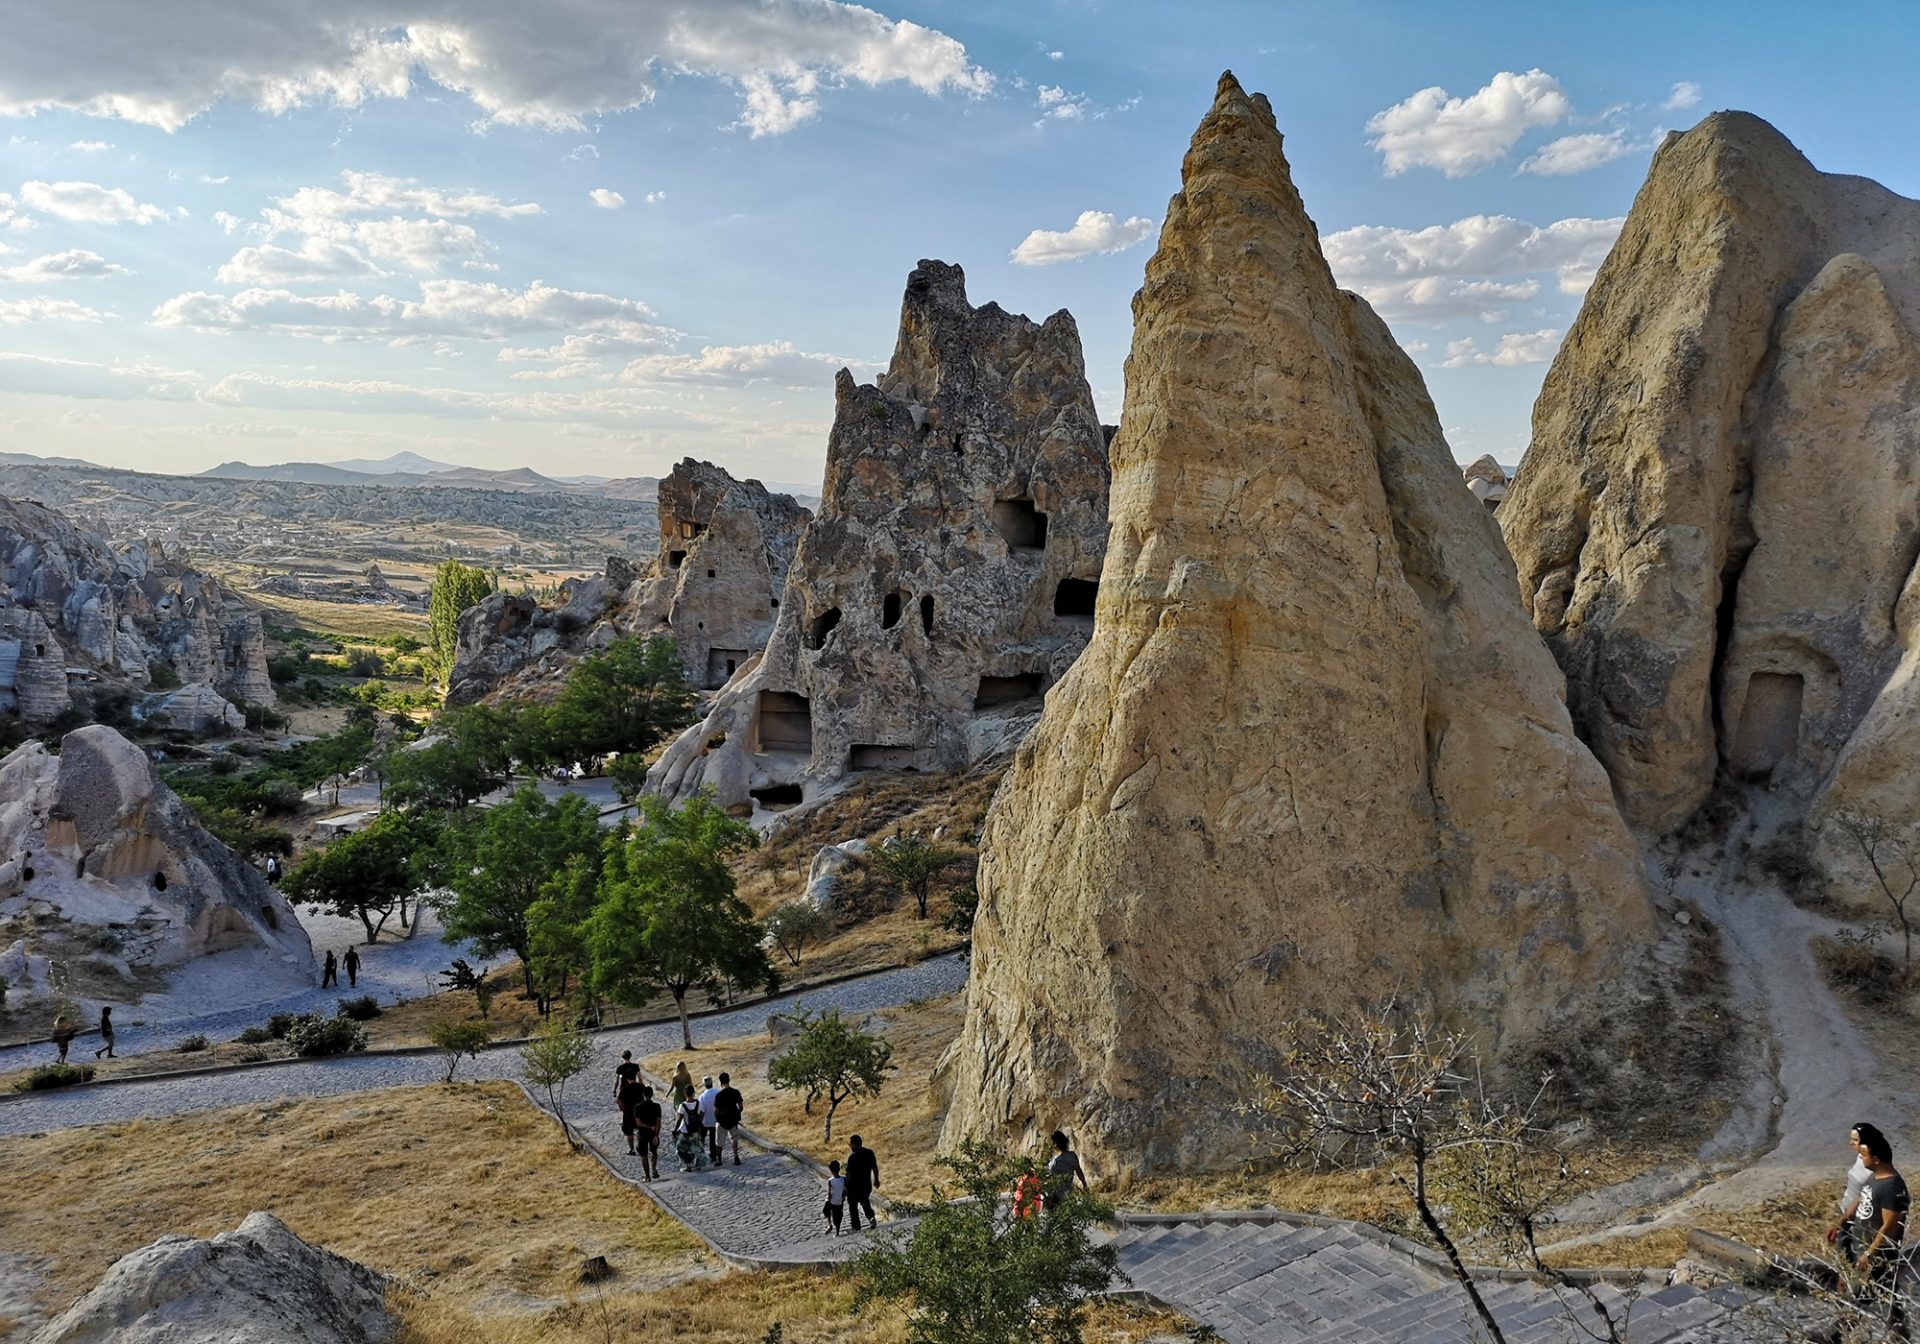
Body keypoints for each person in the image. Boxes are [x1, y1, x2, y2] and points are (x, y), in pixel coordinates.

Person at [1847, 1123, 1909, 1331]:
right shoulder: (1875, 1178)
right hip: (1868, 1251)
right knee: (1889, 1292)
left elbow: (1890, 1226)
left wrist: (1870, 1254)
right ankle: (1899, 1331)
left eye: (1864, 1155)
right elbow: (1863, 1201)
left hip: (1879, 1255)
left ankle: (1836, 1333)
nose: (1860, 1158)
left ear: (1875, 1159)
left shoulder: (1892, 1187)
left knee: (1860, 1295)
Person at [1829, 1123, 1879, 1261]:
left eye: (1855, 1140)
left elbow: (1863, 1198)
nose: (1851, 1143)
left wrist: (1841, 1222)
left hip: (1858, 1220)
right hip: (1846, 1211)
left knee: (1855, 1259)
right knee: (1843, 1259)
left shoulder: (1873, 1166)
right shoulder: (1860, 1157)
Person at [1044, 1130, 1090, 1208]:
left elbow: (1078, 1170)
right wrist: (1084, 1185)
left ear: (1055, 1144)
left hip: (1058, 1196)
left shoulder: (1060, 1159)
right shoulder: (1067, 1157)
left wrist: (1084, 1185)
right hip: (1060, 1195)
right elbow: (1078, 1170)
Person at [844, 1135, 880, 1231]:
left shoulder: (853, 1157)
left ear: (855, 1144)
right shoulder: (869, 1153)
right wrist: (876, 1180)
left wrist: (846, 1187)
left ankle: (856, 1226)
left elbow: (849, 1174)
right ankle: (871, 1218)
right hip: (866, 1184)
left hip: (854, 1186)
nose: (850, 1147)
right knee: (865, 1202)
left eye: (850, 1144)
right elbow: (875, 1167)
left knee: (853, 1206)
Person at [613, 1051, 643, 1155]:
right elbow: (640, 1079)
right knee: (639, 1127)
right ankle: (641, 1146)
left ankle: (632, 1149)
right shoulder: (635, 1066)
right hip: (637, 1102)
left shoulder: (620, 1068)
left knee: (629, 1129)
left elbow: (617, 1081)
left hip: (625, 1097)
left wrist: (614, 1090)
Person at [633, 1084, 663, 1182]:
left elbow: (638, 1123)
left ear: (643, 1095)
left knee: (643, 1155)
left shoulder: (638, 1107)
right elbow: (658, 1123)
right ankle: (654, 1169)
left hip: (642, 1134)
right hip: (652, 1133)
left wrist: (648, 1126)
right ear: (652, 1094)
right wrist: (656, 1135)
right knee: (654, 1151)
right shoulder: (656, 1106)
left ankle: (647, 1176)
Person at [673, 1091, 708, 1172]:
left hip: (685, 1130)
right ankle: (697, 1165)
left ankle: (687, 1166)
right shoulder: (698, 1103)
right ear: (693, 1093)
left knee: (681, 1148)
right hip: (695, 1129)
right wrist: (699, 1122)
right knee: (695, 1147)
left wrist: (676, 1129)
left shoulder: (682, 1105)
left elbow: (680, 1118)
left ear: (685, 1094)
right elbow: (702, 1113)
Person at [698, 1075, 721, 1162]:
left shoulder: (702, 1096)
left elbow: (702, 1110)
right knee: (713, 1139)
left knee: (702, 1138)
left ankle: (700, 1154)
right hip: (716, 1119)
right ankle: (713, 1155)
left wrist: (700, 1121)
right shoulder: (717, 1093)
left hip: (706, 1121)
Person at [824, 1160, 846, 1235]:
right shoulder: (843, 1179)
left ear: (831, 1170)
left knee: (827, 1211)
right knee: (838, 1216)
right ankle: (837, 1232)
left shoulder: (830, 1181)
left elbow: (829, 1192)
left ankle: (830, 1224)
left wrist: (828, 1198)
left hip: (832, 1201)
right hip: (839, 1201)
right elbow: (845, 1190)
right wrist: (844, 1196)